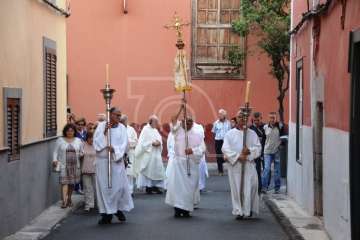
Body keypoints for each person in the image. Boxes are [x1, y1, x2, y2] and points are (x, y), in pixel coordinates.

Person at [93, 107, 134, 225]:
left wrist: (115, 149)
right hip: (103, 163)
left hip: (116, 162)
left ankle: (117, 209)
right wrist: (105, 133)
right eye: (117, 115)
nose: (119, 118)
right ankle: (106, 215)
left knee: (118, 188)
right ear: (110, 115)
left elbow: (125, 145)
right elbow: (96, 143)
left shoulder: (122, 128)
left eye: (120, 116)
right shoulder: (101, 126)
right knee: (104, 189)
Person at [222, 111, 261, 220]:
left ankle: (249, 208)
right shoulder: (230, 134)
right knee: (237, 188)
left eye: (244, 116)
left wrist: (249, 151)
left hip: (248, 165)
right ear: (236, 118)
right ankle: (239, 211)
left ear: (247, 118)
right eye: (240, 116)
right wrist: (238, 156)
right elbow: (225, 149)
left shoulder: (252, 134)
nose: (242, 118)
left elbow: (258, 148)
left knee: (252, 186)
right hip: (236, 167)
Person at [166, 113, 205, 218]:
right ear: (182, 122)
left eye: (190, 122)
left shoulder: (197, 134)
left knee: (189, 188)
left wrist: (192, 150)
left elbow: (202, 149)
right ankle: (178, 209)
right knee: (178, 188)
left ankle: (187, 209)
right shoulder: (177, 132)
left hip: (191, 164)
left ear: (193, 123)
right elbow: (173, 118)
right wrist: (181, 107)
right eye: (185, 121)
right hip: (179, 164)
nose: (188, 123)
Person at [53, 124, 83, 208]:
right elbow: (55, 151)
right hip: (64, 165)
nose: (70, 132)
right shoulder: (60, 140)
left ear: (74, 132)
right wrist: (54, 160)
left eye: (72, 131)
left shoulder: (78, 140)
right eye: (68, 131)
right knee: (64, 182)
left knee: (71, 183)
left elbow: (82, 151)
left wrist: (81, 154)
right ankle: (64, 201)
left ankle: (69, 198)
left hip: (75, 165)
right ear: (65, 131)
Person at [134, 115, 165, 194]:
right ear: (151, 121)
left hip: (156, 154)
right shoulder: (145, 129)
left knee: (156, 170)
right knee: (148, 169)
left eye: (157, 122)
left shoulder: (155, 130)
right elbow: (142, 142)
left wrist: (159, 143)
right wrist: (151, 143)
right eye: (155, 122)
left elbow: (159, 139)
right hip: (149, 153)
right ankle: (148, 186)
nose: (157, 123)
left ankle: (155, 186)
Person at [261, 112, 284, 194]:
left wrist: (282, 145)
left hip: (276, 151)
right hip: (267, 151)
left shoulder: (280, 127)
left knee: (277, 170)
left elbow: (283, 137)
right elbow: (263, 140)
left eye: (273, 118)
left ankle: (277, 188)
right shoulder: (265, 128)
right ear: (269, 118)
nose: (272, 119)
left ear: (276, 118)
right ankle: (264, 187)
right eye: (270, 117)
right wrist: (261, 151)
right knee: (266, 169)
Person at [120, 114, 138, 195]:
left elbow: (136, 140)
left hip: (130, 153)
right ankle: (123, 190)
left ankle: (130, 191)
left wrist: (128, 144)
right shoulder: (118, 129)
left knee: (129, 173)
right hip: (121, 154)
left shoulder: (131, 130)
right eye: (122, 121)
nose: (123, 123)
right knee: (122, 173)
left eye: (124, 121)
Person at [249, 112, 266, 193]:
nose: (256, 122)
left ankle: (264, 187)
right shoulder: (250, 128)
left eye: (258, 120)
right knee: (257, 170)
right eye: (255, 120)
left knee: (266, 170)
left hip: (265, 151)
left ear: (261, 119)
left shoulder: (265, 127)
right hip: (255, 153)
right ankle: (258, 188)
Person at [212, 109, 231, 176]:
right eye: (219, 114)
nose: (219, 115)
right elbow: (213, 132)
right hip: (218, 141)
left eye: (221, 114)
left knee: (227, 155)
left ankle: (230, 169)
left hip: (226, 141)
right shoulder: (216, 123)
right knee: (218, 156)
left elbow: (230, 132)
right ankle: (220, 171)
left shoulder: (228, 123)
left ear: (224, 115)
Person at [81, 132, 96, 212]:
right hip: (85, 169)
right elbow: (80, 154)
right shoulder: (83, 145)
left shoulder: (97, 145)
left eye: (93, 138)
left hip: (95, 170)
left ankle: (96, 204)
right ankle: (88, 205)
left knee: (96, 188)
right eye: (90, 138)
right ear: (87, 138)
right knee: (87, 188)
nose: (92, 139)